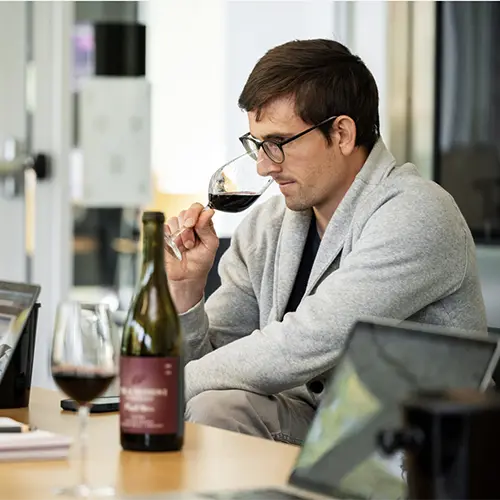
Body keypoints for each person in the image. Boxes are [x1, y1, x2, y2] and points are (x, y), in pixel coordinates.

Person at [164, 39, 487, 444]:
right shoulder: (268, 225)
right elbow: (212, 368)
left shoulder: (418, 212)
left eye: (277, 144)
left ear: (342, 133)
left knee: (212, 409)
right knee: (215, 406)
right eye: (256, 145)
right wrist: (186, 291)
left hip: (407, 450)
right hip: (319, 430)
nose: (264, 167)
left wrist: (158, 387)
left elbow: (306, 341)